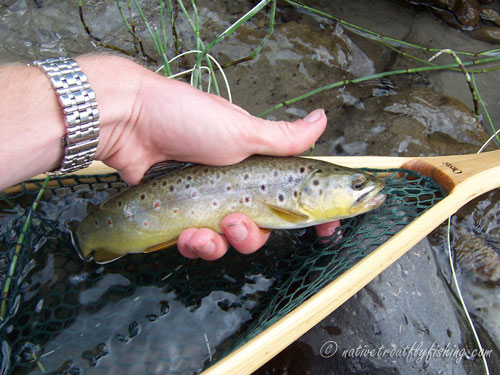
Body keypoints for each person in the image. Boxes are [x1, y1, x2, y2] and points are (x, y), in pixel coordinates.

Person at [0, 54, 339, 260]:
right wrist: (131, 113)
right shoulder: (293, 198)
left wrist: (132, 114)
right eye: (355, 184)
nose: (362, 189)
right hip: (106, 224)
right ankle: (82, 241)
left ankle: (86, 241)